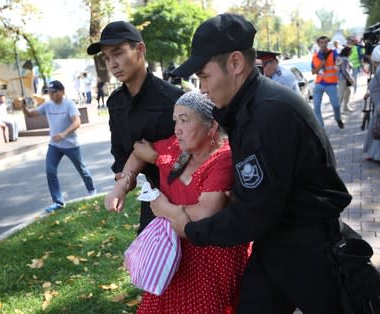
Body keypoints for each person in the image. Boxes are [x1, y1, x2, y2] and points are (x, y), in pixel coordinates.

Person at [170, 14, 352, 313]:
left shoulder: (267, 113)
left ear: (236, 64)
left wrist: (191, 230)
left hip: (306, 248)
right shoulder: (249, 107)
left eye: (204, 76)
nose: (202, 88)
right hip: (276, 240)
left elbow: (254, 213)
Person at [106, 91, 249, 313]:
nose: (177, 129)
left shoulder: (223, 158)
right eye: (175, 121)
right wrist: (121, 185)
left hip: (212, 260)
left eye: (185, 120)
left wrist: (166, 209)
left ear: (211, 127)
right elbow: (139, 152)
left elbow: (205, 213)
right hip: (173, 256)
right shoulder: (179, 149)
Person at [87, 21, 183, 233]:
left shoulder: (174, 100)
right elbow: (121, 152)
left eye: (118, 53)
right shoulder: (115, 103)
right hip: (151, 197)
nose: (112, 63)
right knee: (149, 262)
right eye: (107, 57)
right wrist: (122, 183)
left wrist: (157, 158)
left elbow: (196, 156)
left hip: (186, 198)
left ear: (140, 49)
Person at [22, 80, 96, 213]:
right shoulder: (47, 106)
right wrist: (23, 108)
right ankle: (58, 201)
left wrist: (63, 134)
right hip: (54, 145)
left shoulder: (69, 105)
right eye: (49, 92)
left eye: (54, 92)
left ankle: (92, 191)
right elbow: (30, 115)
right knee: (50, 170)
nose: (51, 95)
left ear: (62, 92)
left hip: (71, 144)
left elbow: (77, 122)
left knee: (82, 168)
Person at [312, 35, 344, 129]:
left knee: (336, 105)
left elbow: (339, 61)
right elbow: (313, 71)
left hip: (331, 84)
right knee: (316, 107)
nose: (323, 44)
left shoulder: (332, 53)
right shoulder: (315, 56)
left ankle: (337, 118)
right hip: (319, 84)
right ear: (318, 44)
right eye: (321, 42)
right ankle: (321, 127)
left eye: (325, 42)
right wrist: (321, 64)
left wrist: (338, 63)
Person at [337, 46, 355, 113]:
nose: (351, 52)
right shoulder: (345, 59)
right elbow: (345, 70)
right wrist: (350, 79)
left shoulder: (341, 58)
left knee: (347, 93)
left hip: (342, 78)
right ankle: (338, 110)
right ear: (347, 51)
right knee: (341, 94)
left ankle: (345, 107)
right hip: (344, 79)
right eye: (350, 51)